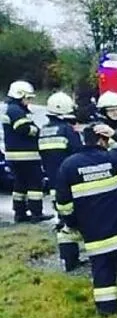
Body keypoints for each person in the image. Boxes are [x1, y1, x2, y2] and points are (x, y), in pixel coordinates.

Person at [56, 123, 117, 316]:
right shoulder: (115, 158)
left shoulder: (69, 166)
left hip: (96, 235)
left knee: (102, 272)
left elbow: (64, 205)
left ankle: (107, 310)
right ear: (103, 139)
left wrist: (73, 223)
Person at [39, 92, 86, 271]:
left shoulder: (44, 130)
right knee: (80, 220)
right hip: (72, 184)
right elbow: (78, 154)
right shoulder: (67, 130)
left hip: (54, 185)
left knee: (64, 223)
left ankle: (69, 260)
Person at [3, 80, 48, 223]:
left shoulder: (12, 109)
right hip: (26, 156)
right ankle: (36, 214)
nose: (29, 101)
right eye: (27, 98)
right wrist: (37, 130)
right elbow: (23, 129)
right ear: (19, 95)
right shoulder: (16, 111)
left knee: (20, 186)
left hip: (14, 155)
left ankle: (20, 213)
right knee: (35, 185)